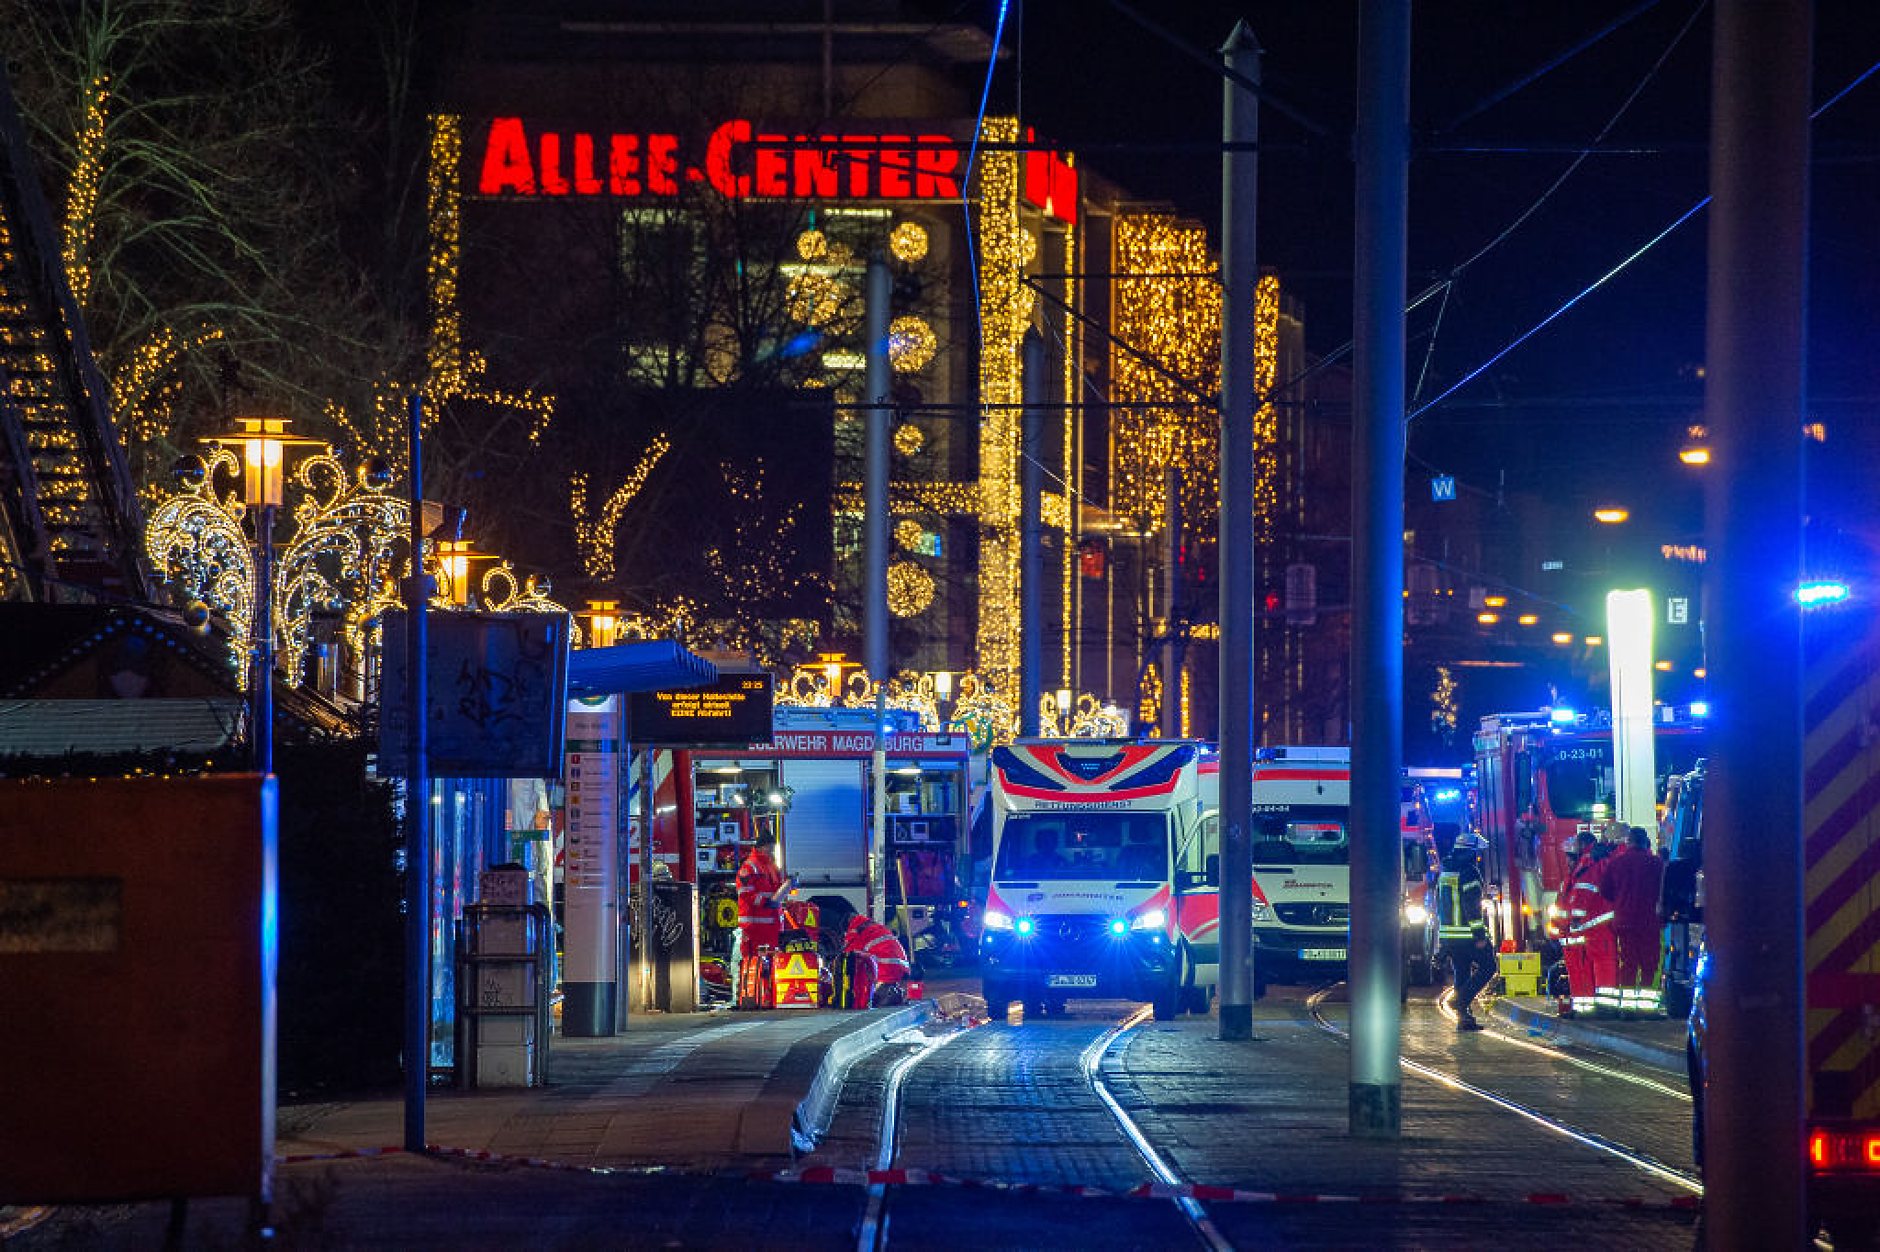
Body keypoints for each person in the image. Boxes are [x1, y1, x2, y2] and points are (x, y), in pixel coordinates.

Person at [1602, 826, 1667, 1014]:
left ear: (1628, 842)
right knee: (1649, 963)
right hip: (1650, 921)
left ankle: (1628, 1008)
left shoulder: (1617, 862)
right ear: (1645, 842)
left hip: (1625, 921)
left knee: (1628, 963)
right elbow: (1665, 891)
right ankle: (1646, 1007)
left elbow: (1604, 889)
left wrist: (1620, 900)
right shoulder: (1656, 863)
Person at [1436, 831, 1497, 1031]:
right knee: (1488, 967)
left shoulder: (1446, 870)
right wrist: (1479, 935)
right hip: (1467, 934)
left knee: (1461, 972)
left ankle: (1465, 1020)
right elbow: (1472, 905)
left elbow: (1440, 903)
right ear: (1472, 852)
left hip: (1449, 934)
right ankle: (1461, 1001)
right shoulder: (1469, 872)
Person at [734, 830, 793, 972]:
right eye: (770, 847)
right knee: (754, 965)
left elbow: (776, 888)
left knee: (771, 964)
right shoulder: (749, 867)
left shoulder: (771, 865)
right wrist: (766, 901)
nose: (772, 850)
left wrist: (787, 887)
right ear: (761, 846)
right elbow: (745, 893)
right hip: (755, 927)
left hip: (772, 926)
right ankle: (752, 993)